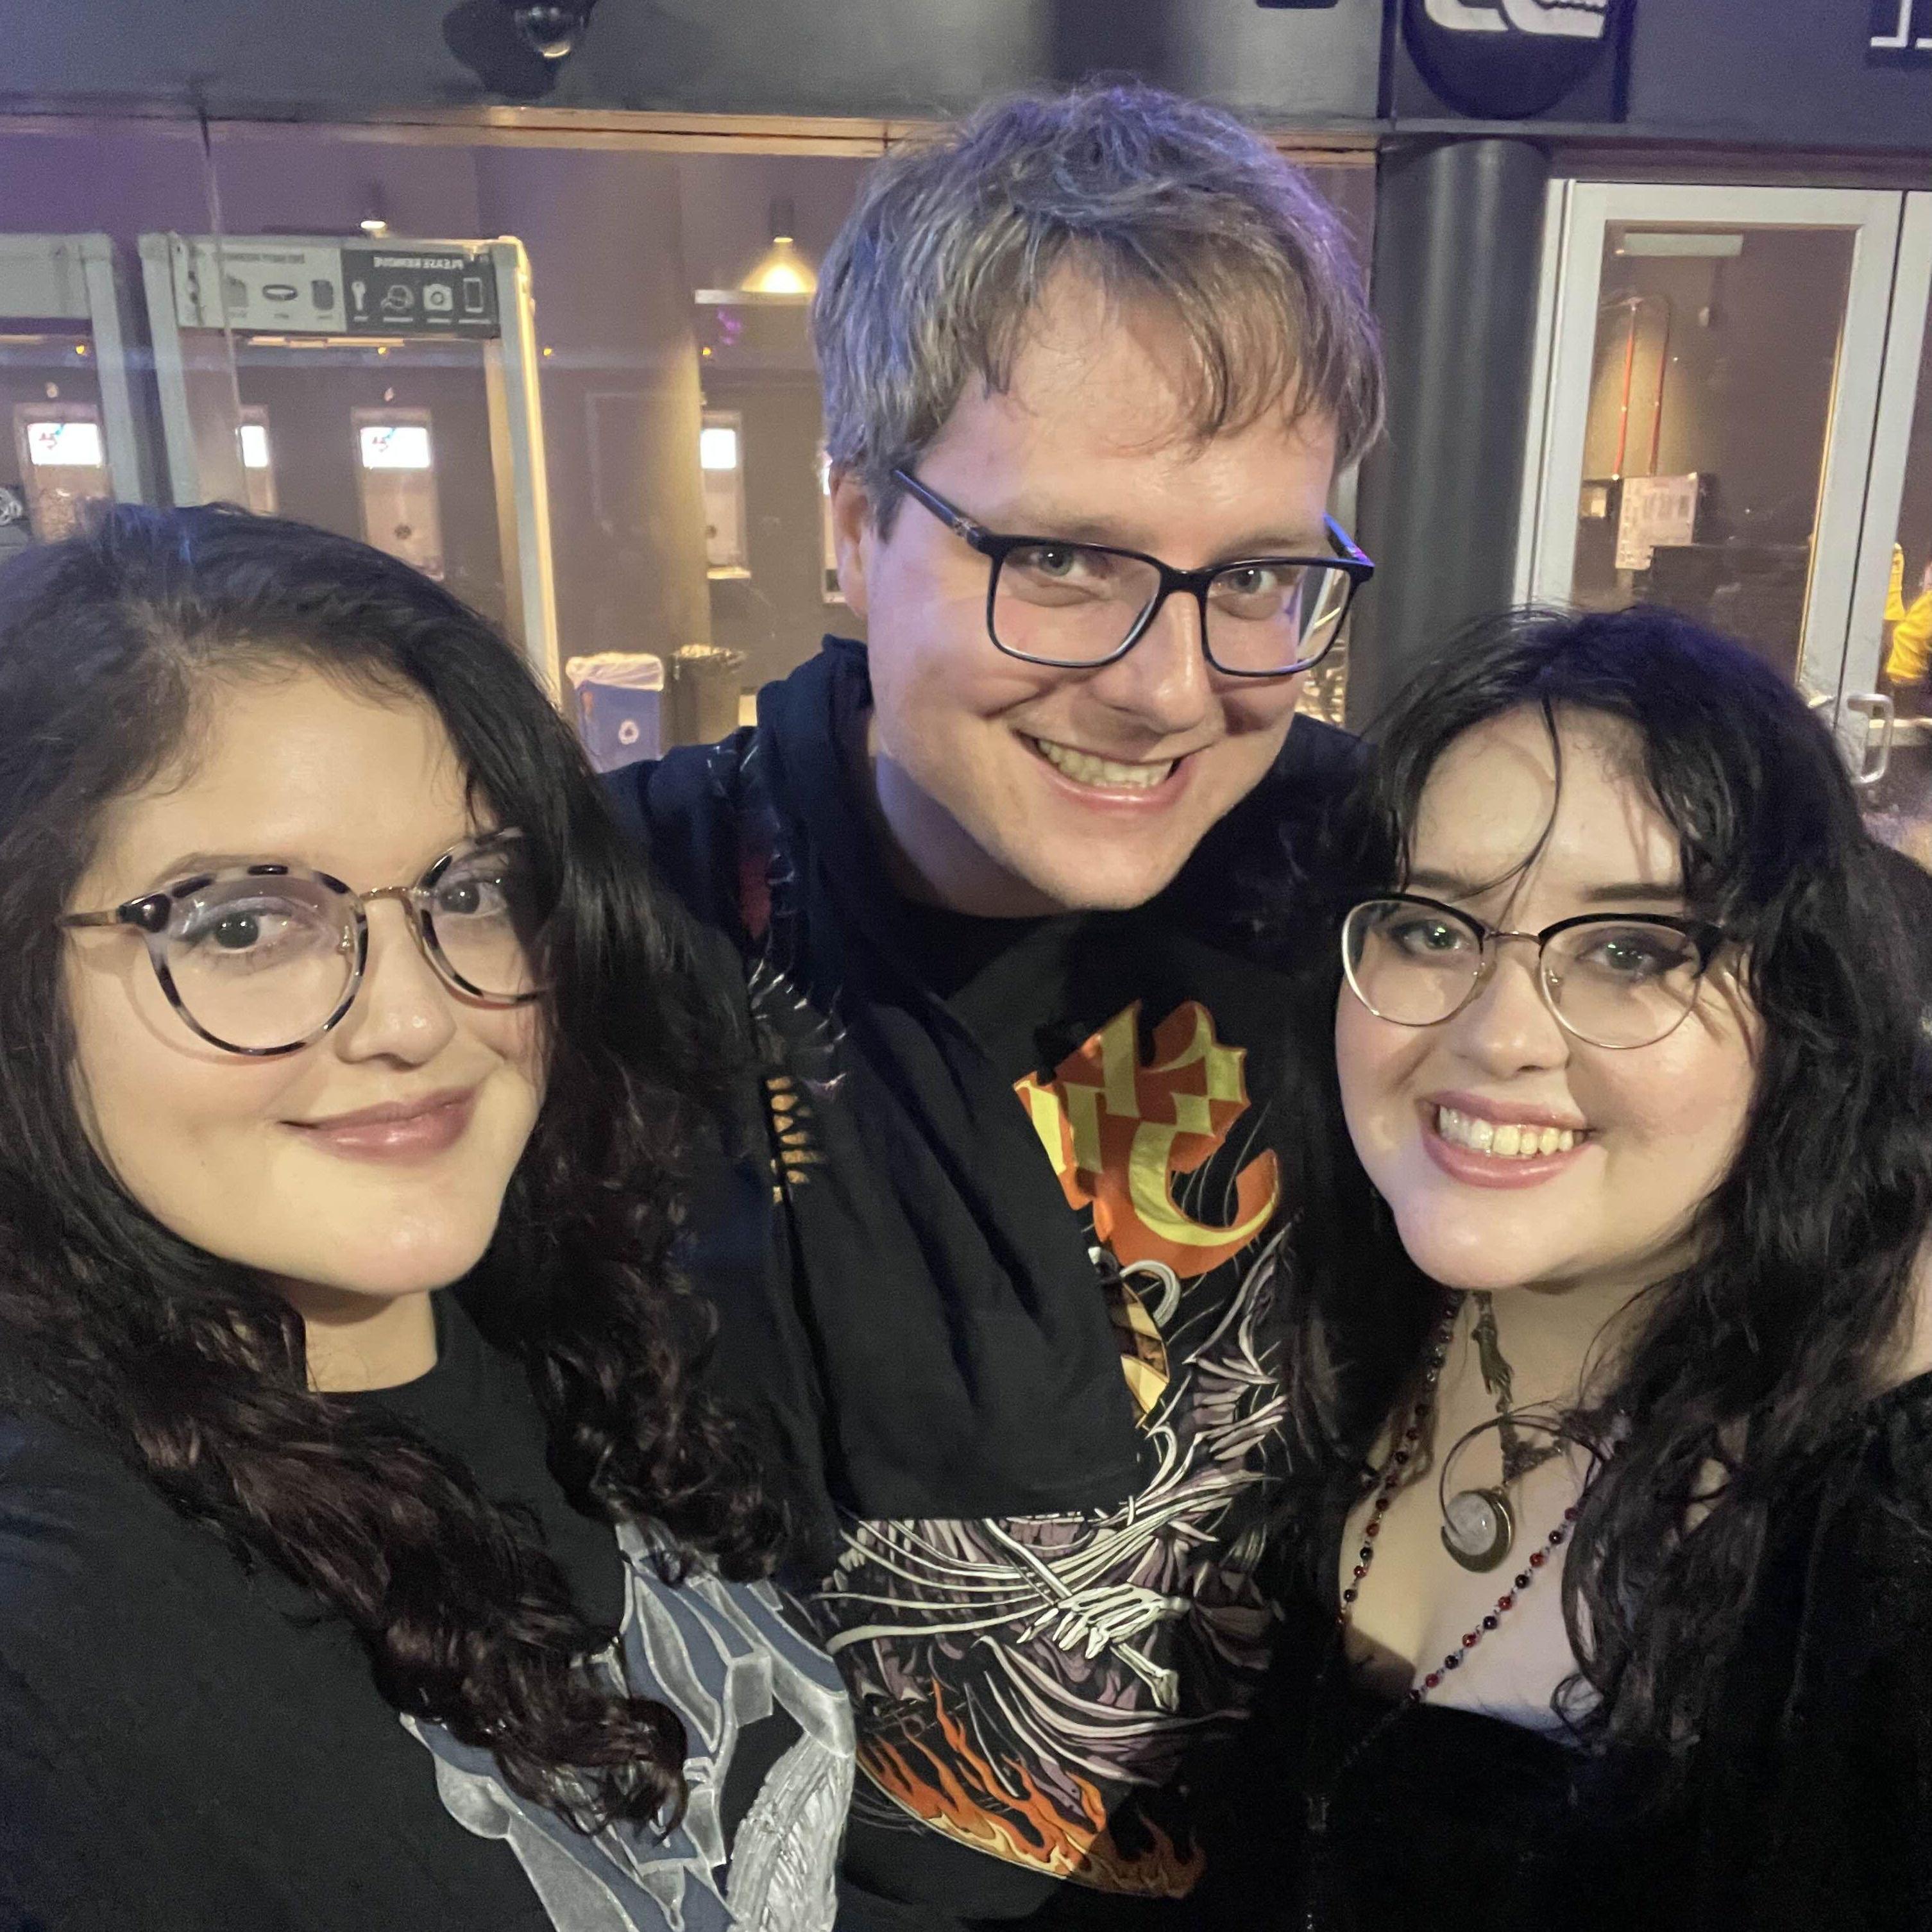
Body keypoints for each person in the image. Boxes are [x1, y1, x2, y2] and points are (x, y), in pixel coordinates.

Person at [607, 81, 1383, 1931]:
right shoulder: (608, 929)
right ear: (853, 527)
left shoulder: (1388, 901)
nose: (1170, 687)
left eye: (1255, 576)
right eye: (1063, 562)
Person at [0, 506, 854, 1932]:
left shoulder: (573, 1322)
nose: (417, 1015)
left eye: (467, 893)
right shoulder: (63, 1633)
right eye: (241, 924)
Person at [1210, 606, 1932, 1929]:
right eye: (1434, 929)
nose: (1499, 1036)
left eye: (1632, 951)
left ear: (1805, 1009)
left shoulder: (1879, 1515)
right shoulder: (1328, 1299)